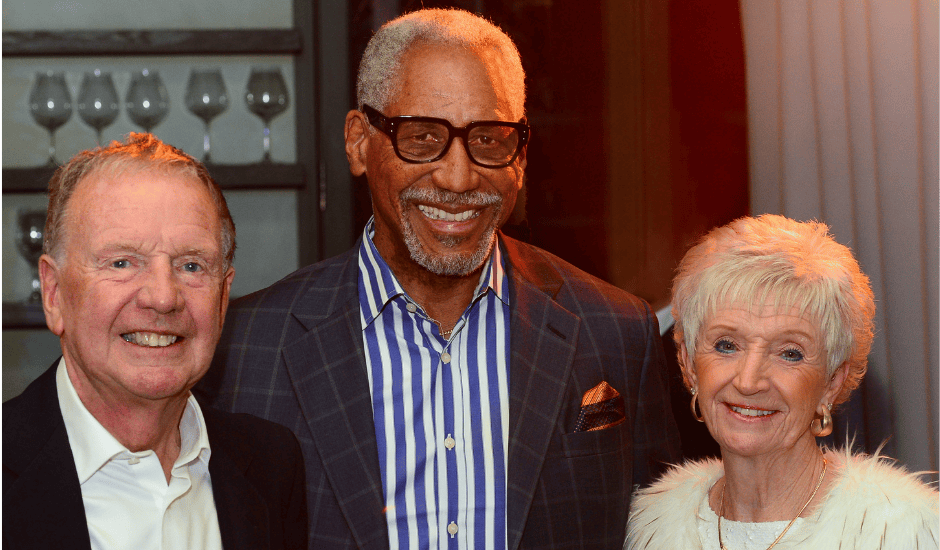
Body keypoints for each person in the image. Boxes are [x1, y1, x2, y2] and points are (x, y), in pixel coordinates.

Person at [199, 8, 679, 549]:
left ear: (521, 154)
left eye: (490, 140)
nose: (457, 177)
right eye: (422, 137)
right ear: (359, 142)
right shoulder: (245, 348)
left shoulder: (614, 331)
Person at [2, 134, 307, 550]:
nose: (163, 297)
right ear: (53, 294)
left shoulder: (272, 467)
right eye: (122, 262)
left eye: (191, 265)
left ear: (222, 299)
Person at [626, 214, 940, 549]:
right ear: (688, 364)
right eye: (726, 345)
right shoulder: (648, 529)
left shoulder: (906, 531)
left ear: (832, 382)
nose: (748, 381)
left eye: (789, 353)